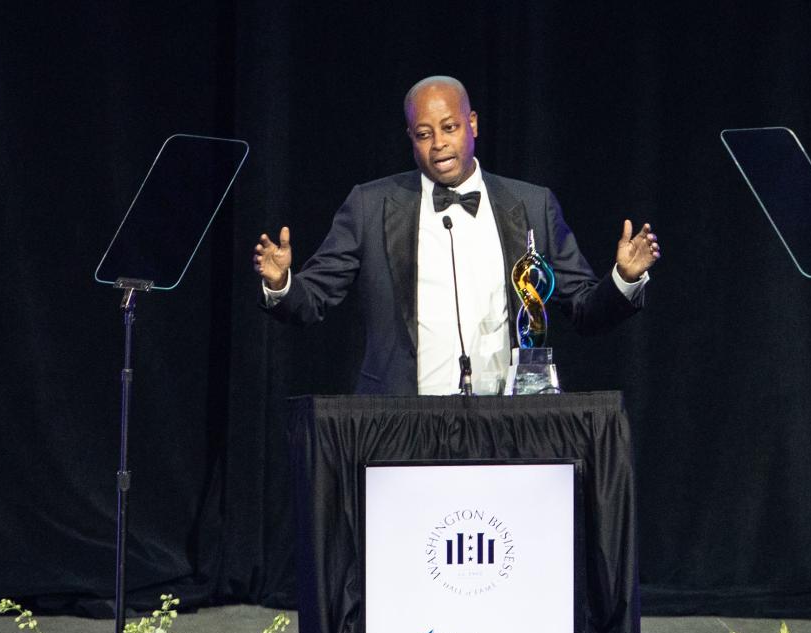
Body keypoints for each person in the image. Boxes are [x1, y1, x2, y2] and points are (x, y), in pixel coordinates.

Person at [253, 75, 661, 395]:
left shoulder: (532, 205)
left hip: (509, 423)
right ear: (411, 139)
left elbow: (585, 310)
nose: (439, 144)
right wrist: (280, 283)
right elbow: (314, 299)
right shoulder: (369, 205)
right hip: (402, 423)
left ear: (472, 124)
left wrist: (623, 279)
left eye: (449, 127)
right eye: (424, 133)